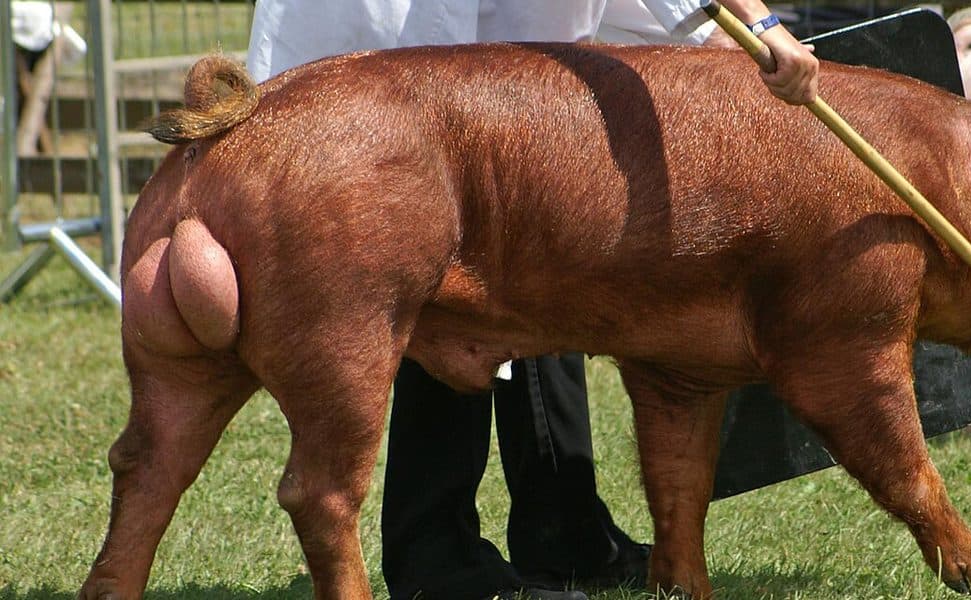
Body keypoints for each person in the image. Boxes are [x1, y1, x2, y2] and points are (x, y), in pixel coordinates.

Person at [245, 2, 818, 599]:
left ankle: (564, 533)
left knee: (540, 240)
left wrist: (720, 37)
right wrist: (754, 23)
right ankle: (440, 563)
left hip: (503, 39)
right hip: (395, 53)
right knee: (454, 266)